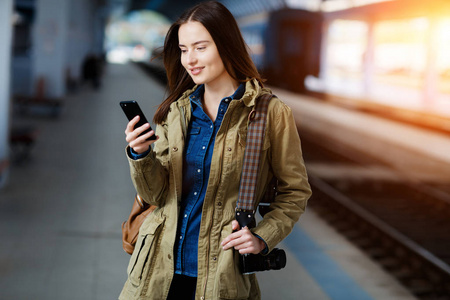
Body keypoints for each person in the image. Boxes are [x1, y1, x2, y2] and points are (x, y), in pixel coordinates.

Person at [119, 1, 311, 299]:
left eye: (200, 47)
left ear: (225, 45)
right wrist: (141, 154)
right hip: (155, 274)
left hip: (221, 278)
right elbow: (156, 195)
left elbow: (295, 191)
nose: (189, 59)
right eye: (183, 49)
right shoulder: (177, 111)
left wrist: (263, 237)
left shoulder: (269, 114)